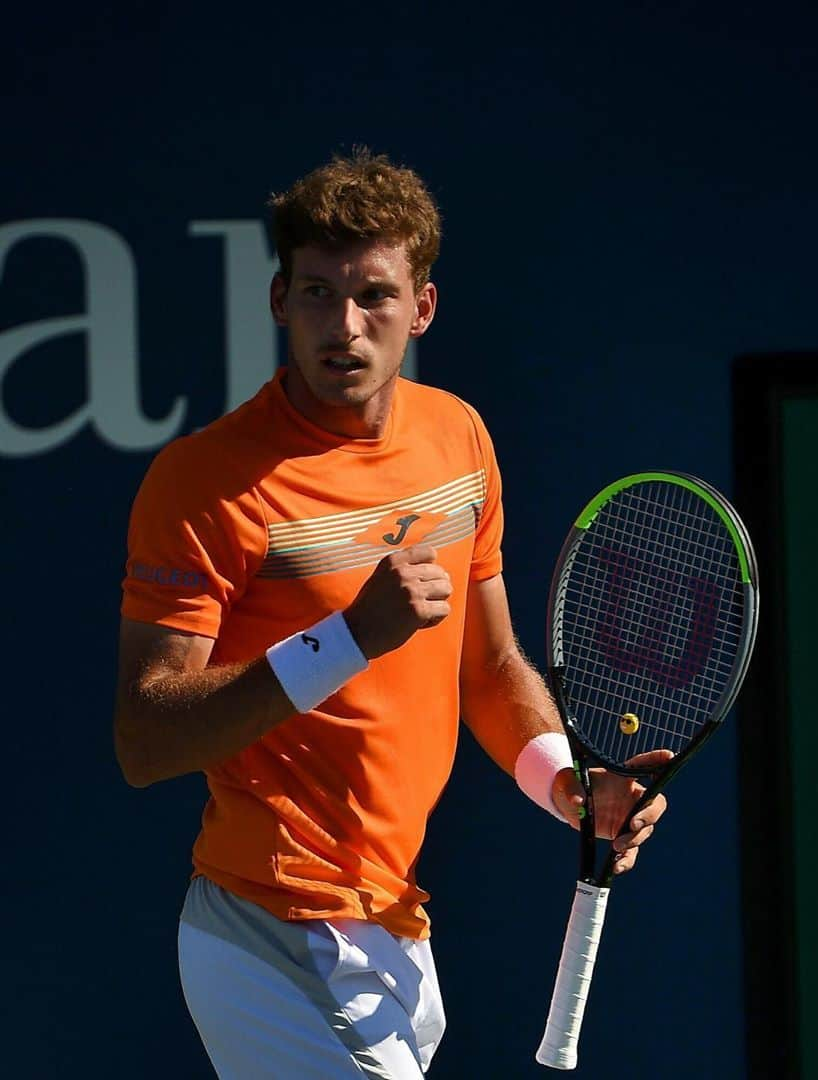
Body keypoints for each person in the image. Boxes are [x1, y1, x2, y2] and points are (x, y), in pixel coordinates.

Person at [114, 149, 669, 1079]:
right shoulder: (203, 483)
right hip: (270, 929)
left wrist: (569, 788)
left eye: (373, 295)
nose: (345, 325)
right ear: (280, 300)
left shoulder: (458, 439)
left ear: (422, 309)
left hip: (395, 932)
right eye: (319, 294)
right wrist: (347, 640)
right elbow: (146, 738)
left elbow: (487, 671)